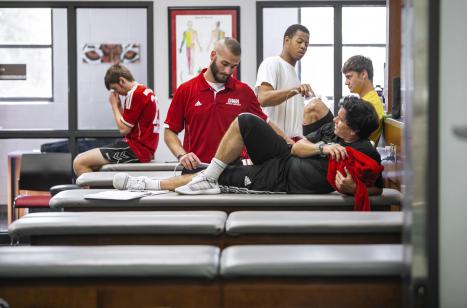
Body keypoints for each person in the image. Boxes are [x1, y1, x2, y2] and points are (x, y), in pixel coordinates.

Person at [114, 96, 383, 198]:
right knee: (245, 120)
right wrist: (322, 148)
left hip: (279, 180)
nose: (334, 119)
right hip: (283, 157)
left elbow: (378, 189)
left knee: (221, 177)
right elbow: (297, 148)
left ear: (355, 129)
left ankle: (144, 185)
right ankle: (207, 178)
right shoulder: (329, 131)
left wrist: (354, 188)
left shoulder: (365, 150)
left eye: (341, 118)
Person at [164, 37, 289, 172]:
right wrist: (182, 155)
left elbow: (266, 123)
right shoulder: (186, 90)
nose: (228, 71)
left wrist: (293, 146)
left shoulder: (244, 92)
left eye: (234, 66)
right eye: (224, 64)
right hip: (196, 170)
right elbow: (170, 131)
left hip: (232, 172)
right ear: (213, 56)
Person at [73, 64, 159, 176]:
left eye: (114, 88)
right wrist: (119, 107)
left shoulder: (134, 94)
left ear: (122, 81)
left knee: (79, 162)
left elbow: (124, 129)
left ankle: (93, 193)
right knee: (92, 163)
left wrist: (113, 105)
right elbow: (130, 124)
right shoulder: (145, 91)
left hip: (136, 149)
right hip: (143, 148)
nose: (116, 93)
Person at [255, 24, 315, 141]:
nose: (303, 46)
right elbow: (263, 99)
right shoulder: (272, 63)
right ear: (287, 41)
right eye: (299, 41)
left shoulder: (294, 74)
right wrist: (296, 90)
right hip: (273, 141)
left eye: (306, 44)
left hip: (292, 140)